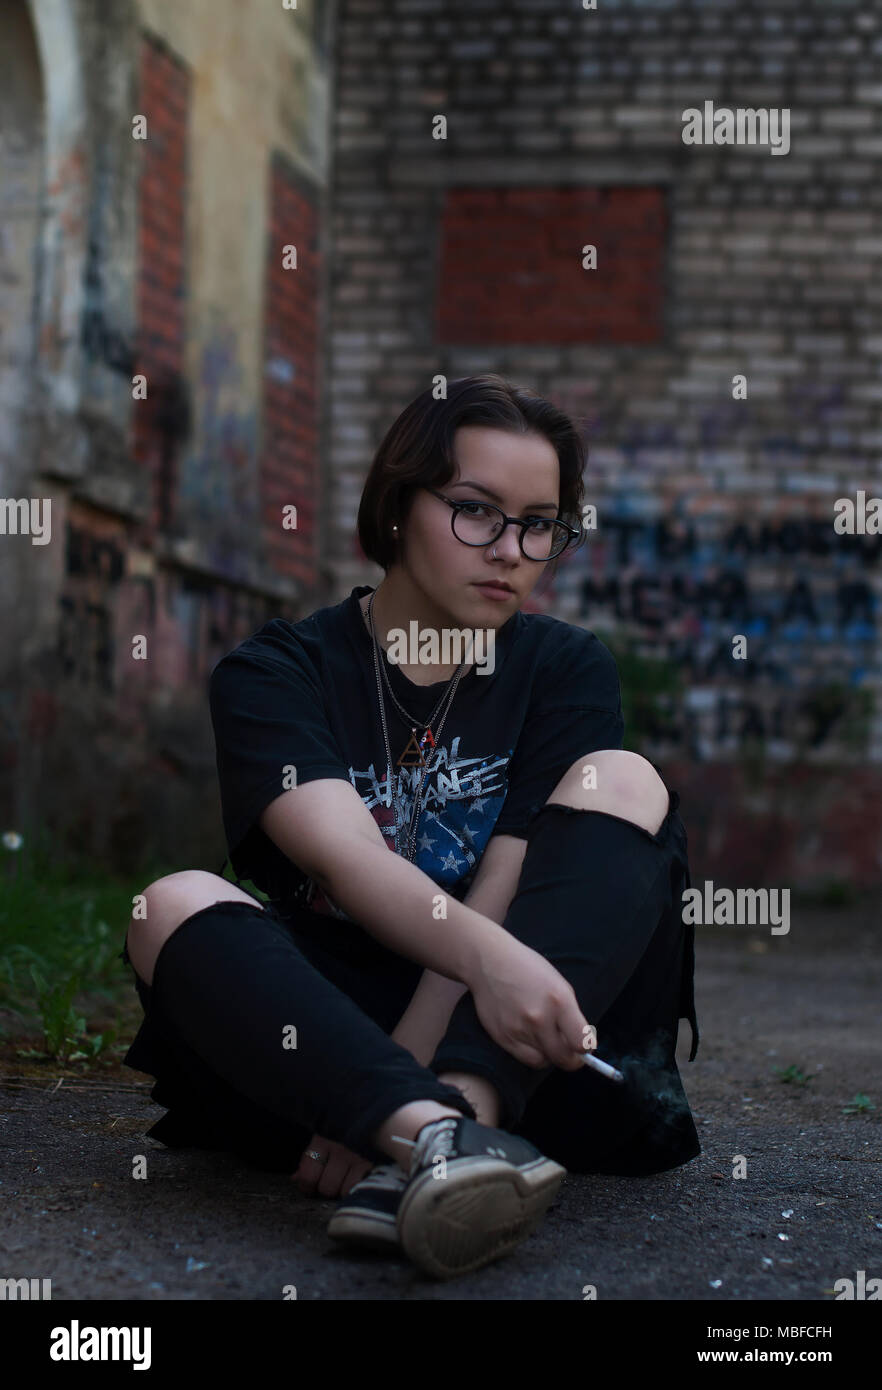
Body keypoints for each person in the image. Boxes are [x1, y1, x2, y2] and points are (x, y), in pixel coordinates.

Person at [120, 373, 700, 1282]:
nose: (510, 549)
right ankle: (432, 1142)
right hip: (318, 1061)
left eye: (540, 523)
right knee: (170, 903)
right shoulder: (280, 672)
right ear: (396, 506)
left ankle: (456, 1133)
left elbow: (508, 886)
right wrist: (377, 1091)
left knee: (622, 779)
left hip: (519, 1051)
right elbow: (347, 859)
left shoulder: (562, 667)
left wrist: (425, 1072)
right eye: (476, 511)